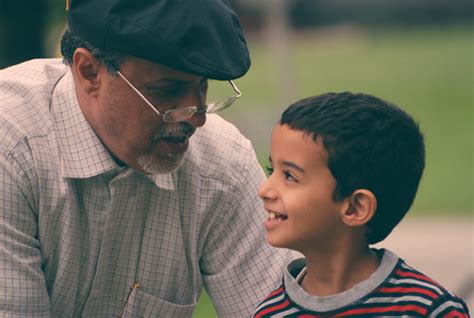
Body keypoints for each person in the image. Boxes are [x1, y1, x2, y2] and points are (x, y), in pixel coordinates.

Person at [0, 0, 292, 316]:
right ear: (89, 72)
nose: (197, 119)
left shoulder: (222, 165)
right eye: (167, 90)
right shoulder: (11, 147)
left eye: (203, 87)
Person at [254, 92, 470, 317]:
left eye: (290, 176)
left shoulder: (428, 309)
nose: (264, 190)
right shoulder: (269, 313)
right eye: (272, 170)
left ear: (355, 208)